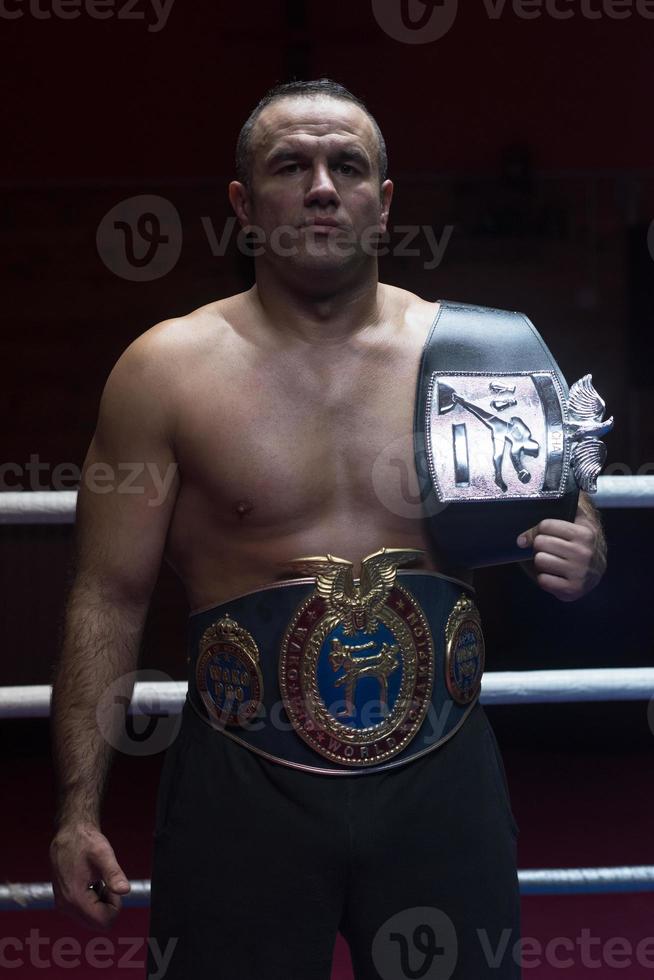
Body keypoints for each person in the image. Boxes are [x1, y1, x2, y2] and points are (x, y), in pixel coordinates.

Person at [49, 79, 607, 979]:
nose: (321, 186)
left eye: (347, 165)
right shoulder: (165, 371)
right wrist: (77, 809)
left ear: (382, 205)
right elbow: (108, 595)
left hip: (443, 777)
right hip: (241, 785)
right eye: (290, 165)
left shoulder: (477, 355)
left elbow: (559, 513)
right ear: (243, 204)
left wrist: (586, 551)